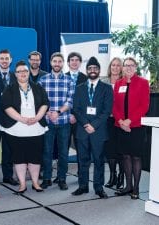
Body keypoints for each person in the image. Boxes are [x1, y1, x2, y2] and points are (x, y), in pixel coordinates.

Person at [0, 60, 49, 193]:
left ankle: (35, 183)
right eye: (19, 71)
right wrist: (22, 119)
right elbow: (6, 107)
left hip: (36, 128)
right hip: (16, 129)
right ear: (15, 74)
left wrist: (38, 117)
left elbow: (45, 103)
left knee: (35, 157)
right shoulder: (9, 89)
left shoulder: (38, 87)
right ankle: (22, 184)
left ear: (28, 73)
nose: (23, 73)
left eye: (25, 71)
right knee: (19, 157)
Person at [72, 56, 113, 199]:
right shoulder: (79, 88)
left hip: (98, 131)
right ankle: (82, 186)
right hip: (82, 130)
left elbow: (107, 111)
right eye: (90, 68)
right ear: (87, 70)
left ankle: (98, 187)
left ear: (99, 70)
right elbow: (75, 109)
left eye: (95, 68)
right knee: (82, 160)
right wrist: (85, 124)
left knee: (99, 160)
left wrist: (93, 125)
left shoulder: (107, 88)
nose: (92, 70)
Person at [113, 57, 149, 199]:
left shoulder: (143, 83)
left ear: (136, 67)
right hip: (121, 126)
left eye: (131, 65)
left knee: (136, 157)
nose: (128, 68)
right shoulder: (118, 84)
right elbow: (114, 106)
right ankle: (128, 186)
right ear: (122, 68)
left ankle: (136, 188)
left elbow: (144, 106)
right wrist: (121, 122)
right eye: (126, 65)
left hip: (136, 126)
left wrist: (129, 121)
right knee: (125, 156)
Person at [39, 52, 74, 190]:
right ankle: (47, 178)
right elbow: (39, 100)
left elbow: (70, 101)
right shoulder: (43, 80)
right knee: (47, 151)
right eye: (55, 61)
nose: (57, 64)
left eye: (60, 61)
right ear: (51, 62)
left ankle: (61, 178)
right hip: (48, 121)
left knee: (63, 153)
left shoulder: (69, 80)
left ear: (63, 63)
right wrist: (48, 112)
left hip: (64, 122)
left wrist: (58, 112)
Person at [0, 49, 18, 185]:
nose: (4, 61)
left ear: (11, 60)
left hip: (10, 120)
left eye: (7, 58)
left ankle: (8, 176)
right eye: (2, 58)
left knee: (8, 150)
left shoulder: (16, 76)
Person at [60, 52, 87, 183]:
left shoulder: (86, 78)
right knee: (63, 148)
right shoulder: (62, 77)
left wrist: (76, 115)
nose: (74, 62)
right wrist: (68, 114)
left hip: (80, 120)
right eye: (72, 60)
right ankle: (61, 176)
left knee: (81, 147)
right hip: (64, 118)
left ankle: (81, 174)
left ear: (80, 62)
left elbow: (87, 100)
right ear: (68, 62)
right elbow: (60, 99)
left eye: (77, 60)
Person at [101, 57, 124, 189]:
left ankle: (121, 176)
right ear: (110, 67)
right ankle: (112, 176)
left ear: (121, 68)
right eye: (113, 65)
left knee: (120, 149)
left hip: (120, 120)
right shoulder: (104, 82)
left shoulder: (125, 82)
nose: (115, 68)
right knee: (109, 149)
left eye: (118, 65)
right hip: (108, 120)